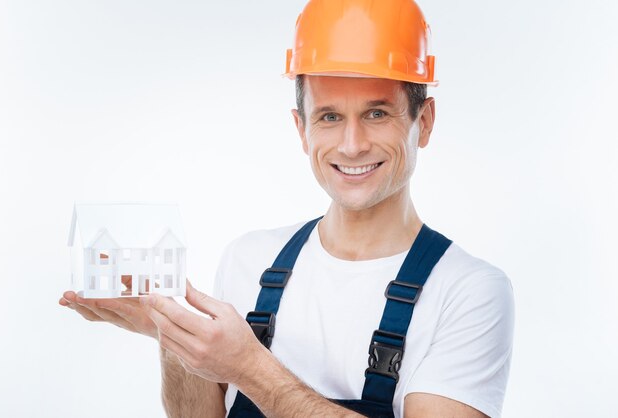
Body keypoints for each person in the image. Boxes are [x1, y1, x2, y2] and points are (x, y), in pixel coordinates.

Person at [60, 0, 514, 417]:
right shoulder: (247, 259)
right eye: (330, 117)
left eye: (377, 114)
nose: (352, 145)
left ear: (425, 122)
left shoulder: (468, 292)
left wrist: (248, 367)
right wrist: (173, 335)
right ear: (301, 129)